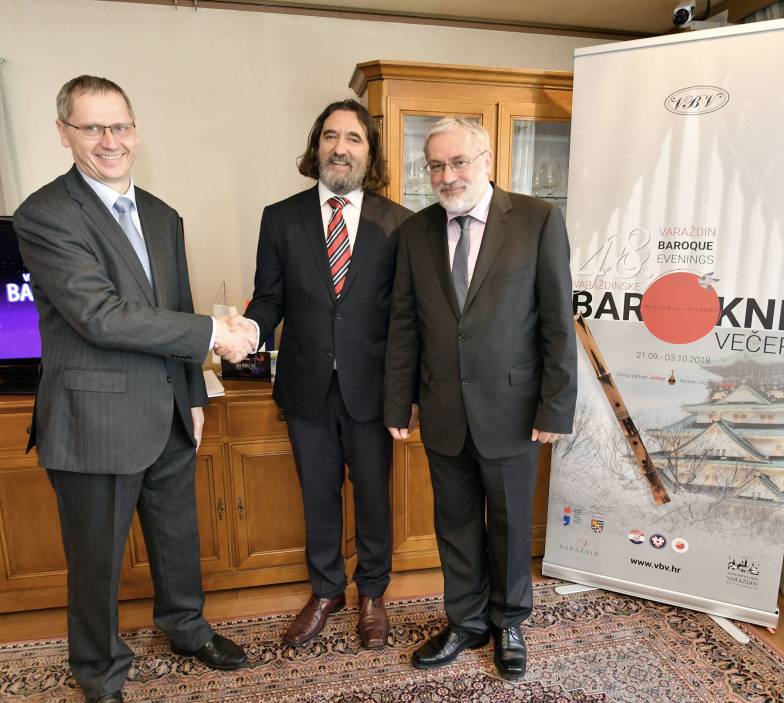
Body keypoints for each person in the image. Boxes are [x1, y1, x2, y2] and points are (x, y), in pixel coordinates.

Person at [13, 75, 251, 703]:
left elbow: (171, 309)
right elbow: (101, 315)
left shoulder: (163, 215)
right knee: (97, 561)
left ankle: (186, 626)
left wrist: (196, 397)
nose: (108, 140)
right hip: (94, 420)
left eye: (118, 125)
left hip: (169, 410)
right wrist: (215, 332)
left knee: (179, 538)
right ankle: (98, 671)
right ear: (64, 133)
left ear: (136, 131)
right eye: (91, 127)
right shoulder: (46, 214)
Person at [383, 117, 577, 680]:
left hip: (515, 412)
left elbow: (556, 321)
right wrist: (399, 403)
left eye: (458, 162)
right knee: (457, 524)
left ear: (487, 160)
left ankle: (510, 621)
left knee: (512, 526)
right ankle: (466, 620)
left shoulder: (538, 220)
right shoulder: (415, 232)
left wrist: (555, 404)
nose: (447, 176)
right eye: (437, 166)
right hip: (443, 409)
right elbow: (404, 325)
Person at [229, 100, 411, 649]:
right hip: (306, 387)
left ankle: (373, 594)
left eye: (354, 138)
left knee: (374, 496)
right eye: (331, 136)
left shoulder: (399, 223)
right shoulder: (279, 217)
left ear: (369, 152)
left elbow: (405, 318)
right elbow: (268, 300)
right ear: (317, 147)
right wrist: (248, 333)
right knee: (318, 494)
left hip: (372, 390)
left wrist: (406, 392)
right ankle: (327, 590)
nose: (340, 147)